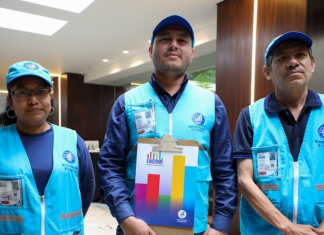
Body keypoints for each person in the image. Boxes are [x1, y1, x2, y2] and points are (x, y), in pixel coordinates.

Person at [98, 15, 237, 235]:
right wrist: (125, 217)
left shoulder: (211, 103)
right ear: (151, 50)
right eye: (165, 39)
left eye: (182, 40)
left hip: (195, 229)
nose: (174, 44)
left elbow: (225, 170)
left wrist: (220, 224)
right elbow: (110, 166)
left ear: (191, 53)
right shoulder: (128, 102)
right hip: (138, 227)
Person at [234, 31, 324, 235]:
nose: (293, 62)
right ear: (267, 71)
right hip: (263, 230)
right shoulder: (251, 116)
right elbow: (244, 180)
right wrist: (287, 227)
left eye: (300, 55)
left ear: (313, 64)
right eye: (282, 58)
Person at [0, 61, 95, 235]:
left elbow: (87, 188)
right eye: (22, 92)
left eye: (41, 91)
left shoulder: (72, 140)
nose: (33, 100)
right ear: (10, 101)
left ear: (49, 98)